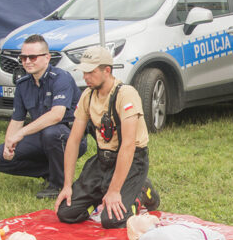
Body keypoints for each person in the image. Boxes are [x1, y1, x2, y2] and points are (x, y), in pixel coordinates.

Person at [56, 46, 157, 229]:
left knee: (112, 220)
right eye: (84, 72)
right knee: (66, 212)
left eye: (90, 72)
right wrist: (67, 186)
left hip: (131, 159)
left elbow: (128, 145)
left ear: (107, 71)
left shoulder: (126, 94)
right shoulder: (88, 95)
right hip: (103, 159)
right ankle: (105, 189)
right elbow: (73, 141)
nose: (85, 77)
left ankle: (141, 192)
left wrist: (114, 191)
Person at [0, 34, 80, 200]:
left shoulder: (61, 79)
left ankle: (58, 185)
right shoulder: (23, 84)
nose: (27, 61)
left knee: (52, 133)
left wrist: (22, 133)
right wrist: (9, 143)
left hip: (69, 136)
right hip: (42, 136)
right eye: (23, 58)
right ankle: (50, 171)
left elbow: (56, 115)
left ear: (47, 58)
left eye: (32, 57)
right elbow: (17, 120)